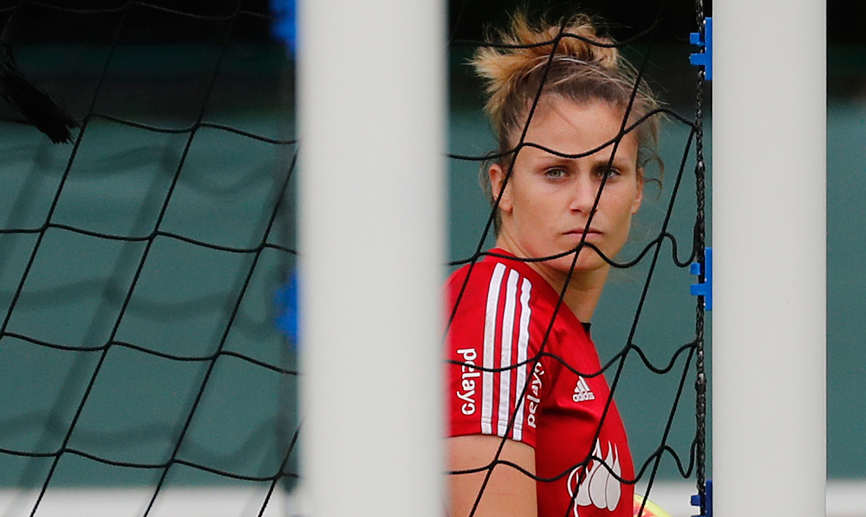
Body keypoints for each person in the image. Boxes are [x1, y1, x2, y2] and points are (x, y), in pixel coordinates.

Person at [445, 12, 661, 517]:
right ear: (502, 186)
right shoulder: (499, 309)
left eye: (607, 172)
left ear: (638, 192)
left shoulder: (558, 329)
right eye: (556, 171)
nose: (585, 199)